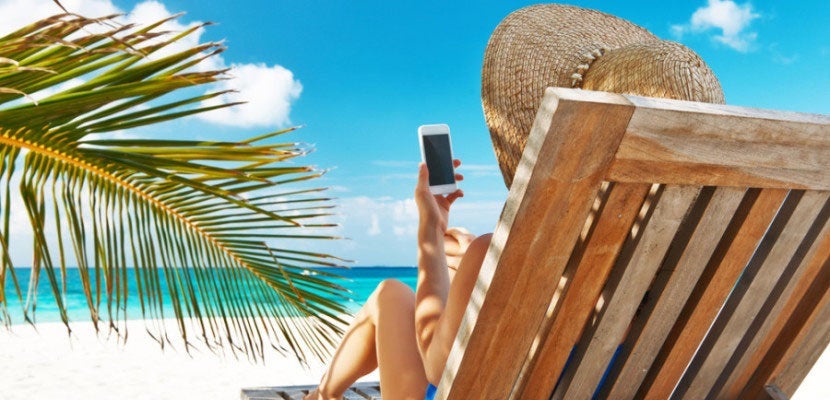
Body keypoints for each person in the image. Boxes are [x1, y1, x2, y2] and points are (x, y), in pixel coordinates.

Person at [304, 160, 492, 400]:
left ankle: (324, 395)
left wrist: (431, 229)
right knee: (392, 293)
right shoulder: (544, 261)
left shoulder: (486, 249)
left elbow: (438, 368)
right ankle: (323, 395)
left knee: (387, 295)